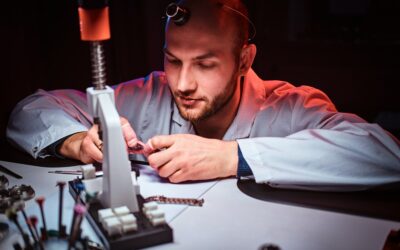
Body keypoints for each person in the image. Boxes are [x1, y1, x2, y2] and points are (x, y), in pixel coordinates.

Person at [6, 0, 400, 191]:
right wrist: (77, 141)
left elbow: (387, 154)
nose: (182, 83)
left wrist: (233, 156)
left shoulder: (291, 107)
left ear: (244, 59)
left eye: (206, 64)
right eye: (173, 60)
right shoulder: (148, 93)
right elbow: (30, 109)